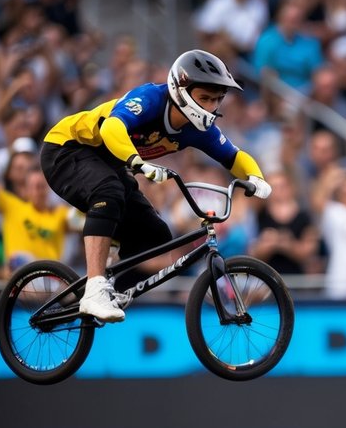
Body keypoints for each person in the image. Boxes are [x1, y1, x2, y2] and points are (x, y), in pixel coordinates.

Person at [40, 49, 272, 323]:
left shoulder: (200, 130)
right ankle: (94, 287)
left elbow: (234, 156)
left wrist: (257, 177)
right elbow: (111, 128)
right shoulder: (150, 99)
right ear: (181, 90)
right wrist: (138, 163)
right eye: (205, 98)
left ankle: (111, 280)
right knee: (108, 193)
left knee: (157, 238)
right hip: (67, 148)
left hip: (110, 165)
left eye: (216, 100)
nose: (211, 107)